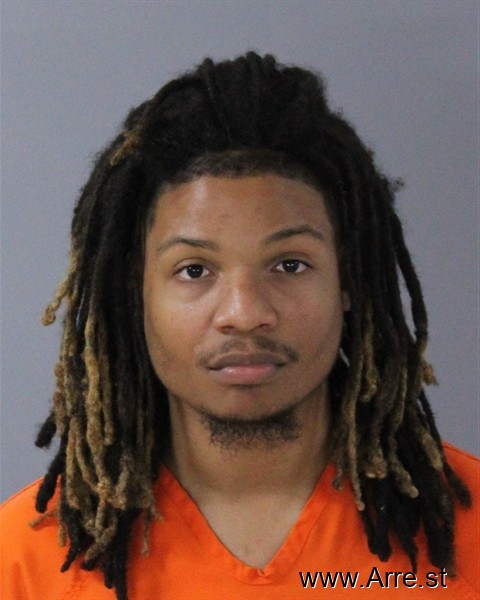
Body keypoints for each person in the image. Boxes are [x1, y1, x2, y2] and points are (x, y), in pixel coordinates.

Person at [1, 52, 478, 600]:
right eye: (194, 270)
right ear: (137, 291)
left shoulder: (464, 537)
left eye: (290, 265)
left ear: (347, 279)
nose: (245, 313)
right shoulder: (25, 564)